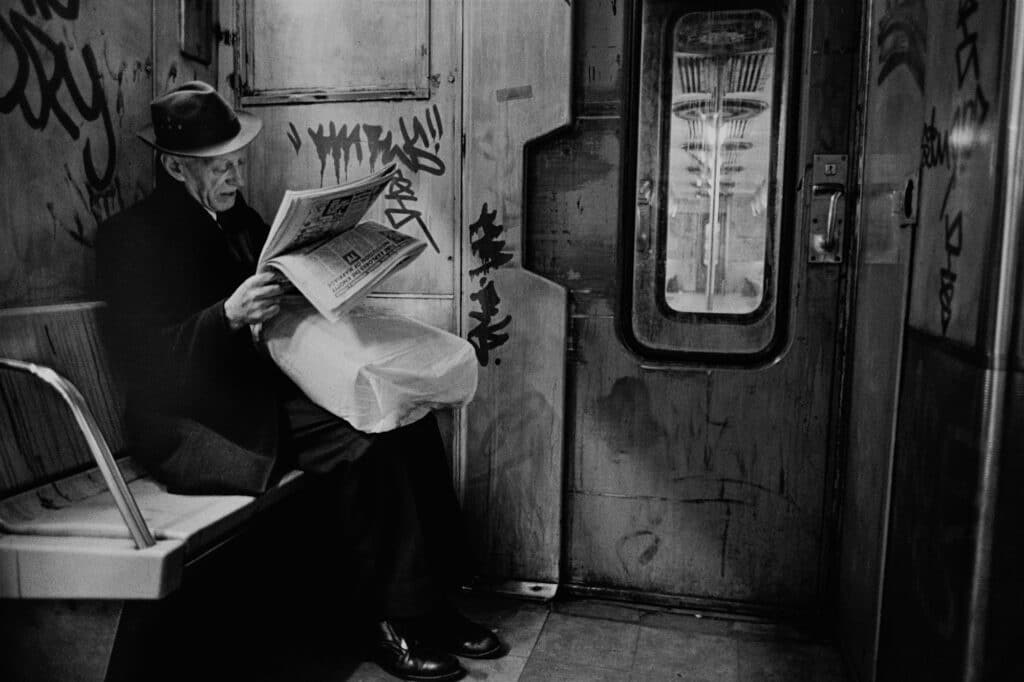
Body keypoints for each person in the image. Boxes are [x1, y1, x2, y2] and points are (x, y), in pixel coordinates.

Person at [96, 80, 503, 682]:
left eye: (237, 162)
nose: (236, 176)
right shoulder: (132, 239)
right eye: (220, 167)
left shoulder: (241, 219)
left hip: (259, 390)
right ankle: (386, 623)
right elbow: (145, 363)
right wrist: (227, 315)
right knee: (364, 443)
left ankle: (434, 602)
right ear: (176, 168)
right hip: (196, 421)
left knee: (408, 418)